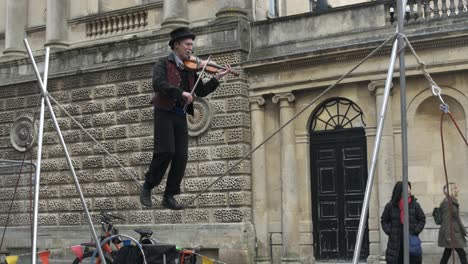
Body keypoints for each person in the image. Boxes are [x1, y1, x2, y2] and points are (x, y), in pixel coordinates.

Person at [139, 27, 231, 210]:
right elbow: (158, 84)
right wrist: (180, 93)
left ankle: (169, 195)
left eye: (191, 45)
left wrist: (217, 78)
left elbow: (201, 91)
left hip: (180, 115)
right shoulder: (163, 63)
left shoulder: (191, 68)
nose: (191, 48)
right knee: (166, 151)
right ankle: (148, 186)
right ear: (176, 45)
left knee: (181, 156)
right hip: (164, 111)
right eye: (187, 44)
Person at [381, 181, 426, 264]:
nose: (409, 190)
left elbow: (422, 219)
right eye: (406, 188)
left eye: (409, 188)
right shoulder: (390, 206)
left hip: (411, 243)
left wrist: (416, 231)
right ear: (399, 191)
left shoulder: (415, 205)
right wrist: (389, 231)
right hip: (395, 245)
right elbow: (384, 221)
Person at [438, 182, 468, 264]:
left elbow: (457, 219)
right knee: (462, 253)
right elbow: (446, 220)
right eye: (455, 188)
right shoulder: (447, 202)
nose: (458, 190)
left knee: (447, 253)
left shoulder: (453, 201)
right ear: (450, 190)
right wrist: (448, 236)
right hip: (451, 233)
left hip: (455, 231)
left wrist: (464, 231)